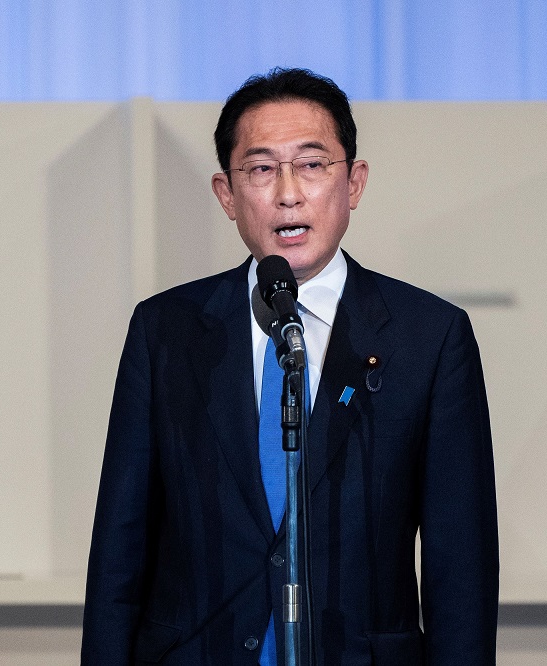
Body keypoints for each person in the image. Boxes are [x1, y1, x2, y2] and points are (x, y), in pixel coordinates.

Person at [82, 67, 498, 665]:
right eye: (260, 168)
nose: (288, 193)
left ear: (353, 183)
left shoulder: (428, 337)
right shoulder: (166, 330)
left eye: (311, 164)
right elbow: (119, 546)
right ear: (227, 194)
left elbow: (462, 565)